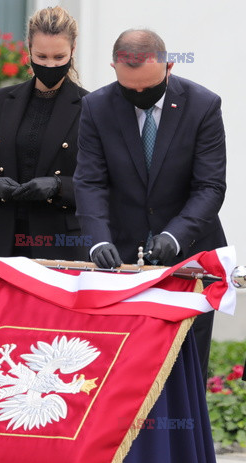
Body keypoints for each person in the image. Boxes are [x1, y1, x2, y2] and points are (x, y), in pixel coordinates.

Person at [73, 29, 227, 383]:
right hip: (120, 258)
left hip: (190, 262)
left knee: (184, 370)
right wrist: (98, 239)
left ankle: (182, 438)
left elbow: (210, 186)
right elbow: (90, 181)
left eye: (149, 88)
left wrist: (174, 235)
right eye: (130, 89)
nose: (140, 96)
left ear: (169, 67)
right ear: (114, 68)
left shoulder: (203, 106)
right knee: (121, 373)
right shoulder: (96, 107)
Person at [0, 6, 89, 261]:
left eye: (59, 57)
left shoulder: (91, 107)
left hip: (60, 242)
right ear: (28, 49)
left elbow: (101, 184)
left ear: (73, 50)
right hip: (1, 238)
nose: (50, 64)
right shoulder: (2, 100)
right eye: (42, 56)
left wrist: (58, 187)